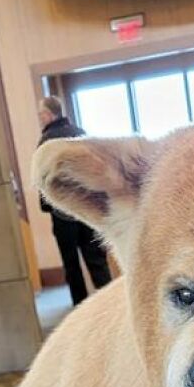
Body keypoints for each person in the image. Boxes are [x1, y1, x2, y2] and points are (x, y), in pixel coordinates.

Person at [37, 95, 111, 305]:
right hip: (89, 211)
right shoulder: (80, 134)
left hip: (63, 215)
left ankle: (80, 306)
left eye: (40, 114)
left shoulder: (46, 142)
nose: (40, 119)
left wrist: (47, 207)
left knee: (72, 265)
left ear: (48, 114)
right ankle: (109, 305)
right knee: (97, 260)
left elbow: (43, 182)